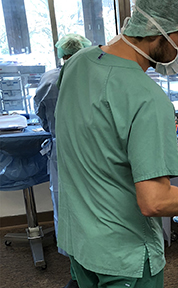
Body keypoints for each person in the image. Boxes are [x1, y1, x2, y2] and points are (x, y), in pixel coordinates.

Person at [54, 1, 178, 287]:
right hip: (125, 256)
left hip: (80, 241)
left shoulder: (77, 62)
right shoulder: (147, 98)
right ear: (158, 29)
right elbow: (155, 201)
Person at [33, 33, 92, 288]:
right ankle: (92, 258)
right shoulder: (94, 76)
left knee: (64, 204)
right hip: (94, 150)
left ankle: (74, 260)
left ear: (61, 54)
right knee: (93, 202)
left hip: (61, 152)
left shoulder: (49, 79)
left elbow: (41, 115)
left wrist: (54, 128)